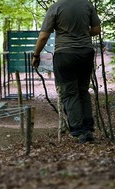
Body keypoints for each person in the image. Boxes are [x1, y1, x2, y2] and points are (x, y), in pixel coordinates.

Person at [32, 0, 101, 143]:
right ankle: (88, 129)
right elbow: (96, 30)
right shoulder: (87, 5)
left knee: (70, 93)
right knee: (83, 90)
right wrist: (81, 32)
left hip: (65, 55)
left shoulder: (56, 7)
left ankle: (79, 131)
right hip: (86, 54)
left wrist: (36, 55)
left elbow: (44, 36)